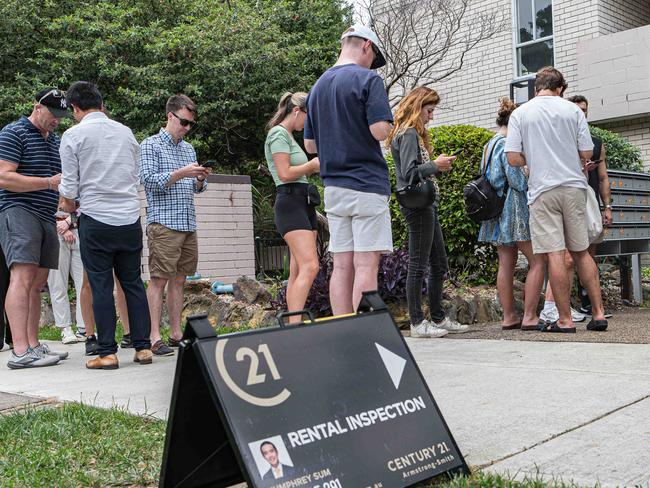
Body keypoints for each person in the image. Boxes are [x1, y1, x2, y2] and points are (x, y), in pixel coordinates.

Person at [506, 67, 608, 332]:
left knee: (554, 254)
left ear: (536, 87)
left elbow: (513, 158)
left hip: (542, 190)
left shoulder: (520, 113)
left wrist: (534, 159)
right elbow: (587, 151)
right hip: (574, 187)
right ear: (560, 88)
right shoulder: (573, 111)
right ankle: (598, 314)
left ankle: (564, 320)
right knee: (581, 252)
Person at [59, 81, 152, 369]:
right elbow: (135, 177)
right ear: (101, 103)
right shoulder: (126, 133)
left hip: (96, 220)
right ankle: (143, 348)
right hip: (128, 218)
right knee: (133, 284)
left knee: (100, 285)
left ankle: (108, 353)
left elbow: (69, 189)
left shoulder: (73, 135)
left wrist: (68, 206)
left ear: (75, 108)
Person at [304, 24, 394, 315]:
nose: (373, 64)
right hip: (366, 183)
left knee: (341, 264)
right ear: (367, 46)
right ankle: (363, 333)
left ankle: (341, 327)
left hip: (334, 188)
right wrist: (389, 122)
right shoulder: (368, 79)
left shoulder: (318, 86)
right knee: (366, 263)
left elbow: (309, 145)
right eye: (374, 56)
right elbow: (379, 131)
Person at [386, 87, 468, 338]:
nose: (431, 116)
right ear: (418, 106)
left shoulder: (407, 133)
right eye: (429, 111)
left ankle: (438, 317)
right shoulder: (409, 133)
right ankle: (418, 322)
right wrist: (436, 165)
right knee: (419, 265)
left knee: (438, 262)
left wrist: (435, 164)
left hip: (423, 205)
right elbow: (410, 173)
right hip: (418, 206)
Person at [0, 88, 71, 369]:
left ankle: (32, 345)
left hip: (46, 215)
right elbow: (4, 178)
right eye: (53, 114)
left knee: (37, 283)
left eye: (61, 116)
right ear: (37, 107)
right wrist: (48, 183)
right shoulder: (13, 132)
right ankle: (19, 351)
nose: (57, 120)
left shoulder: (54, 141)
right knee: (22, 276)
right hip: (18, 212)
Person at [140, 94, 209, 356]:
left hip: (187, 222)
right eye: (184, 122)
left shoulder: (189, 149)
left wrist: (201, 179)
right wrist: (182, 172)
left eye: (191, 124)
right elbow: (149, 181)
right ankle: (153, 336)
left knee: (180, 280)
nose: (187, 127)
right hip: (164, 223)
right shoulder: (151, 145)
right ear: (170, 116)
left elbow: (195, 188)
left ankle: (176, 333)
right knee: (158, 280)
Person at [540, 94, 613, 323]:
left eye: (584, 109)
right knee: (568, 256)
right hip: (565, 198)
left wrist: (607, 206)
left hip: (587, 199)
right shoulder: (559, 138)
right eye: (577, 109)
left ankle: (591, 308)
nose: (581, 113)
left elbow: (603, 178)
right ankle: (557, 308)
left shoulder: (596, 143)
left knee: (586, 254)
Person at [478, 98, 545, 331]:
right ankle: (529, 316)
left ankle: (509, 317)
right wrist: (527, 170)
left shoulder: (489, 144)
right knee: (538, 261)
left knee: (505, 263)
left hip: (496, 210)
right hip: (514, 208)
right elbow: (516, 181)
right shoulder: (508, 142)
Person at [265, 92, 320, 322]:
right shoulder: (278, 133)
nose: (309, 124)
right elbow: (285, 173)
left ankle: (292, 323)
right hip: (290, 202)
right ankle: (295, 325)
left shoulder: (289, 136)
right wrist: (312, 165)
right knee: (311, 266)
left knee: (298, 269)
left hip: (303, 201)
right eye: (309, 117)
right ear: (297, 111)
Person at [47, 208, 86, 344]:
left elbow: (85, 202)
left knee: (84, 283)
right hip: (54, 232)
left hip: (79, 231)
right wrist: (61, 226)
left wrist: (69, 221)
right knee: (57, 282)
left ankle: (84, 327)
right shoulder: (46, 186)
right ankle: (65, 328)